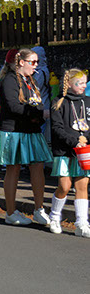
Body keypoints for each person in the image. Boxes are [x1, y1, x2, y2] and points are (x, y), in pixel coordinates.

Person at [0, 49, 53, 226]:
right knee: (13, 169)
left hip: (31, 130)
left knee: (37, 166)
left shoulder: (30, 80)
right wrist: (39, 113)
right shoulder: (9, 80)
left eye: (37, 62)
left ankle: (39, 209)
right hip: (13, 131)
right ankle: (10, 212)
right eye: (33, 62)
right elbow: (14, 107)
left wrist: (39, 115)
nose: (36, 66)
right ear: (21, 62)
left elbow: (35, 103)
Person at [48, 69, 90, 237]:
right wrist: (74, 141)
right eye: (80, 83)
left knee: (82, 185)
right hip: (64, 150)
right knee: (64, 186)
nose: (84, 86)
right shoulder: (58, 102)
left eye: (85, 82)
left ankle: (81, 223)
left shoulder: (88, 101)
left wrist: (85, 139)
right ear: (70, 84)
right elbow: (57, 128)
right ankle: (54, 216)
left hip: (83, 151)